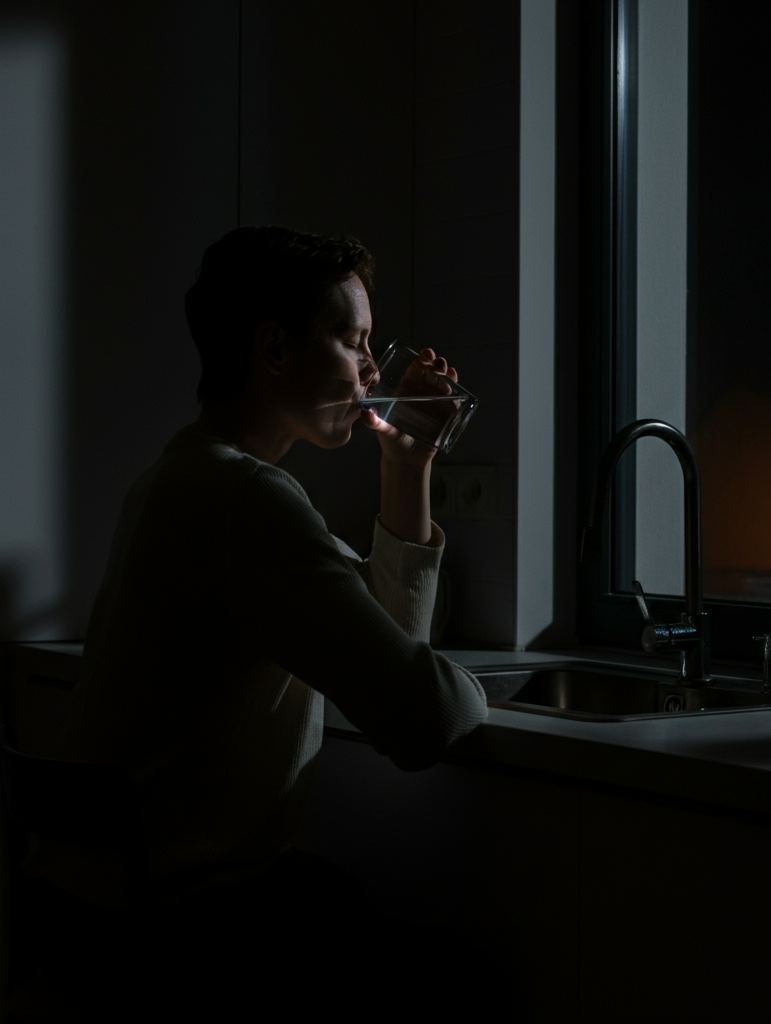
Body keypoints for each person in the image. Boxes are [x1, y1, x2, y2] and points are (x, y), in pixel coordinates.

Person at [21, 226, 496, 1021]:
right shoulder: (246, 502)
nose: (374, 371)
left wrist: (405, 464)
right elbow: (424, 719)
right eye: (354, 341)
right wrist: (473, 690)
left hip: (87, 916)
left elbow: (388, 647)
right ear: (274, 349)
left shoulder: (183, 475)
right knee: (460, 982)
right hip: (167, 937)